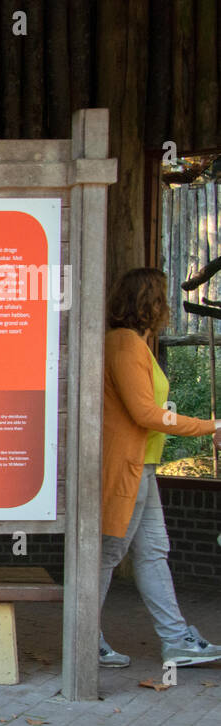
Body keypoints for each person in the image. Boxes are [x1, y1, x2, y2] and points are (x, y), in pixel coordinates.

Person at [99, 267, 221, 669]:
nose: (168, 307)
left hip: (144, 466)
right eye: (162, 298)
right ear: (148, 302)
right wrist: (209, 426)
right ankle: (84, 637)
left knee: (152, 553)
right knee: (108, 554)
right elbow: (145, 413)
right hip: (129, 467)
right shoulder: (125, 345)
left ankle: (176, 640)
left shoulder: (134, 343)